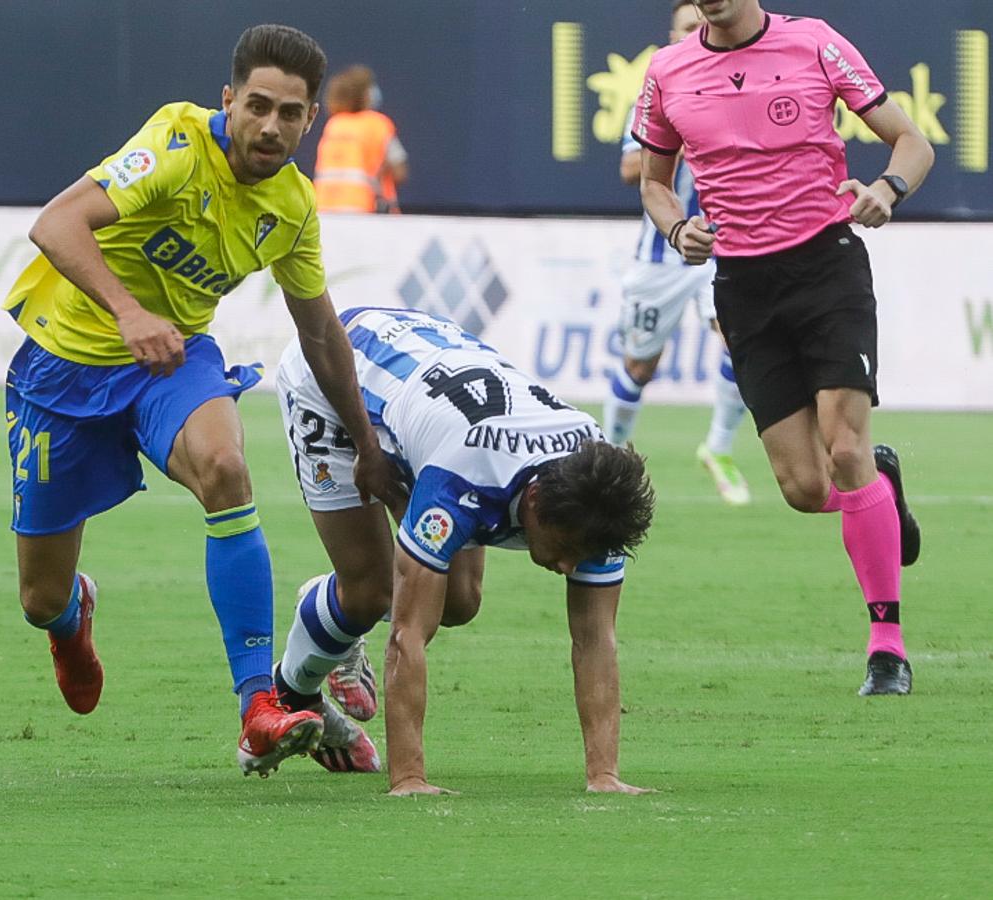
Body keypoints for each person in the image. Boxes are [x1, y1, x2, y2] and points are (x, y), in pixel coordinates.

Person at [1, 24, 399, 777]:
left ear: (311, 118)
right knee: (37, 594)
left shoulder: (291, 206)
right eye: (257, 106)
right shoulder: (177, 146)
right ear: (228, 101)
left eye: (289, 113)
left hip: (172, 363)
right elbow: (55, 224)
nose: (270, 126)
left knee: (225, 467)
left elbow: (320, 333)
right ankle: (69, 618)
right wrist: (128, 312)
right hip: (64, 367)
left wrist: (368, 449)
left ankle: (260, 706)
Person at [632, 0, 934, 694]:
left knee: (845, 446)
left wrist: (886, 190)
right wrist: (678, 231)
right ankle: (879, 492)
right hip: (742, 285)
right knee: (804, 488)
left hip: (827, 265)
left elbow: (910, 143)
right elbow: (654, 182)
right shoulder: (667, 70)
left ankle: (885, 646)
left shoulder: (814, 44)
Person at [273, 307, 655, 794]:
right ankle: (306, 662)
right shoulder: (462, 479)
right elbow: (408, 637)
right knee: (371, 590)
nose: (567, 567)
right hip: (335, 372)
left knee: (458, 604)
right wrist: (409, 779)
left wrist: (604, 776)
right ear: (534, 501)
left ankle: (339, 607)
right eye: (564, 550)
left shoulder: (599, 490)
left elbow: (595, 639)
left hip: (441, 392)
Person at [607, 0, 751, 506]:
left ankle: (718, 447)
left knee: (739, 341)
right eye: (687, 27)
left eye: (703, 25)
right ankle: (612, 454)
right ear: (672, 35)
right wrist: (691, 133)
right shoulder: (657, 92)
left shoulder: (738, 86)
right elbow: (631, 171)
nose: (698, 32)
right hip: (662, 254)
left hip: (723, 250)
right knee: (639, 366)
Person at [313, 65, 408, 214]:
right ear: (364, 94)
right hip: (365, 210)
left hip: (324, 209)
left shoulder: (333, 125)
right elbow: (400, 172)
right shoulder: (378, 124)